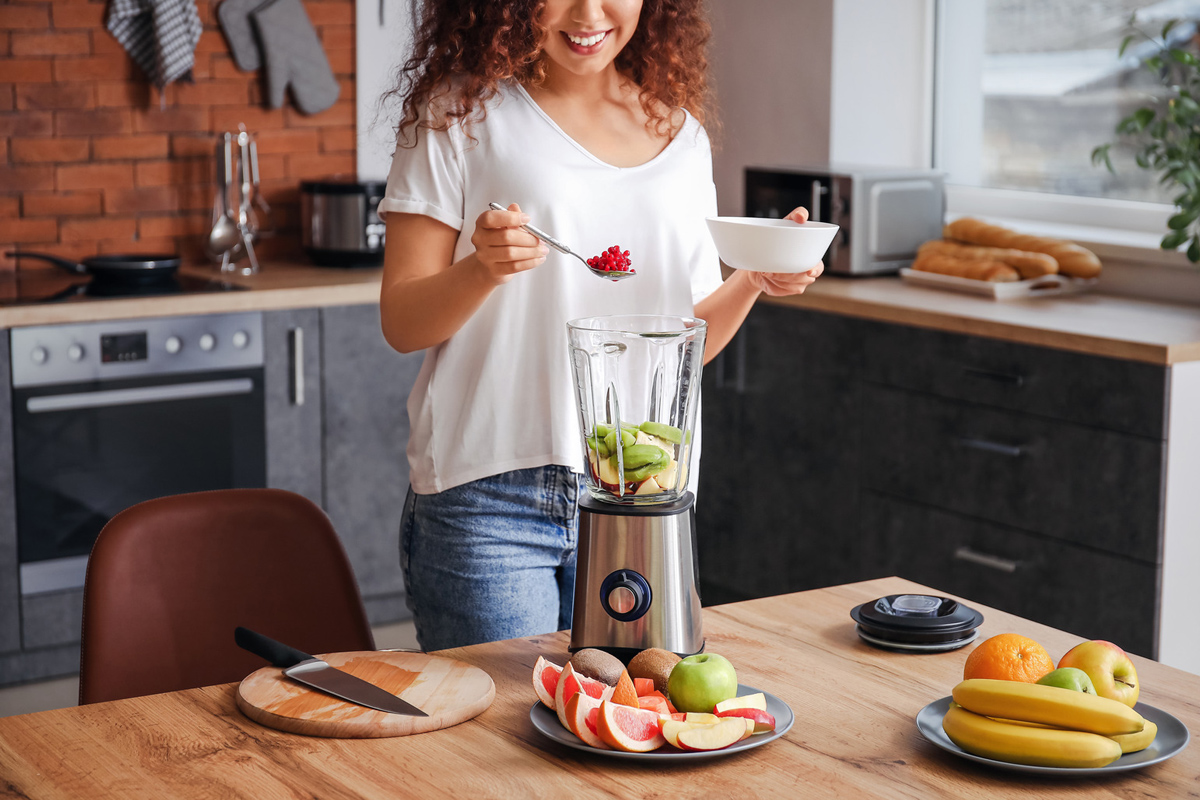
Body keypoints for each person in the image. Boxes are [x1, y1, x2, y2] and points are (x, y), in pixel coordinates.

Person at [378, 0, 821, 652]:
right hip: (491, 500)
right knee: (500, 741)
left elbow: (679, 345)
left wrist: (752, 278)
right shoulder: (457, 117)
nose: (589, 12)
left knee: (630, 720)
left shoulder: (681, 135)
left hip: (642, 491)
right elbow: (402, 320)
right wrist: (482, 269)